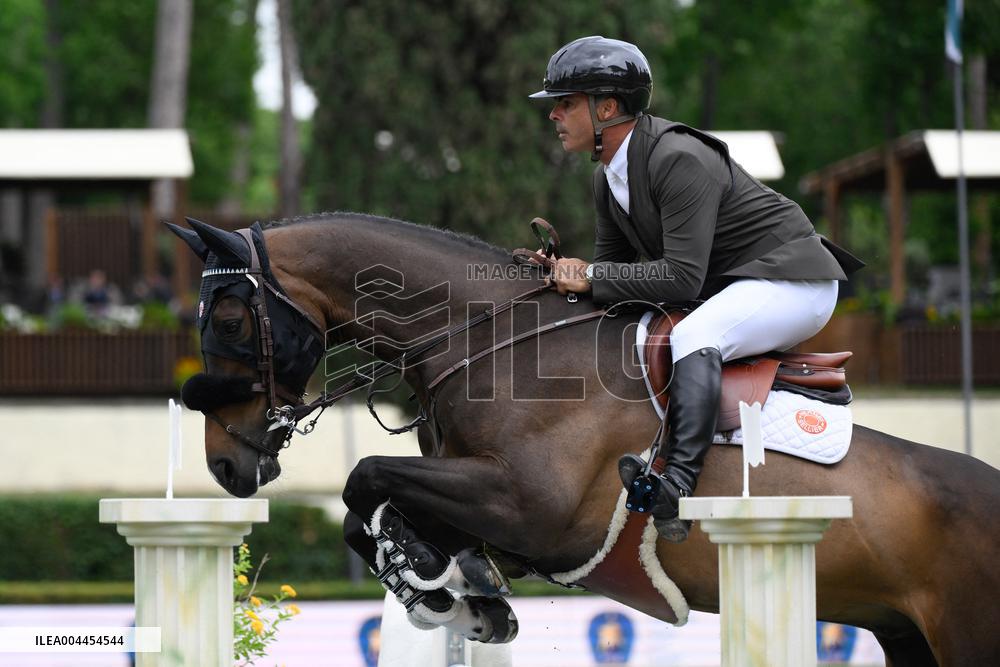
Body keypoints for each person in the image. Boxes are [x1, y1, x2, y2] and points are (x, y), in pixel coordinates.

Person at [529, 36, 863, 542]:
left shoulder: (677, 157)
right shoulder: (607, 179)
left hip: (793, 282)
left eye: (566, 103)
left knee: (694, 336)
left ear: (607, 108)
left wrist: (593, 276)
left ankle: (678, 484)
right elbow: (613, 277)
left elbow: (680, 278)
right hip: (738, 285)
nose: (554, 115)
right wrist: (567, 278)